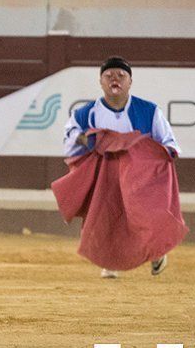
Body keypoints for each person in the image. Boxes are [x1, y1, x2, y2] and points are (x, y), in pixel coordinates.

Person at [60, 56, 182, 279]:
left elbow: (168, 142)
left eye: (120, 75)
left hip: (140, 175)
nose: (114, 79)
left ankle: (156, 252)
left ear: (130, 82)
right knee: (106, 216)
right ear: (101, 82)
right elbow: (71, 134)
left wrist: (163, 155)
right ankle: (110, 260)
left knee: (146, 214)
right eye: (109, 76)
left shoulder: (149, 110)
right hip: (105, 173)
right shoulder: (87, 113)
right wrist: (84, 139)